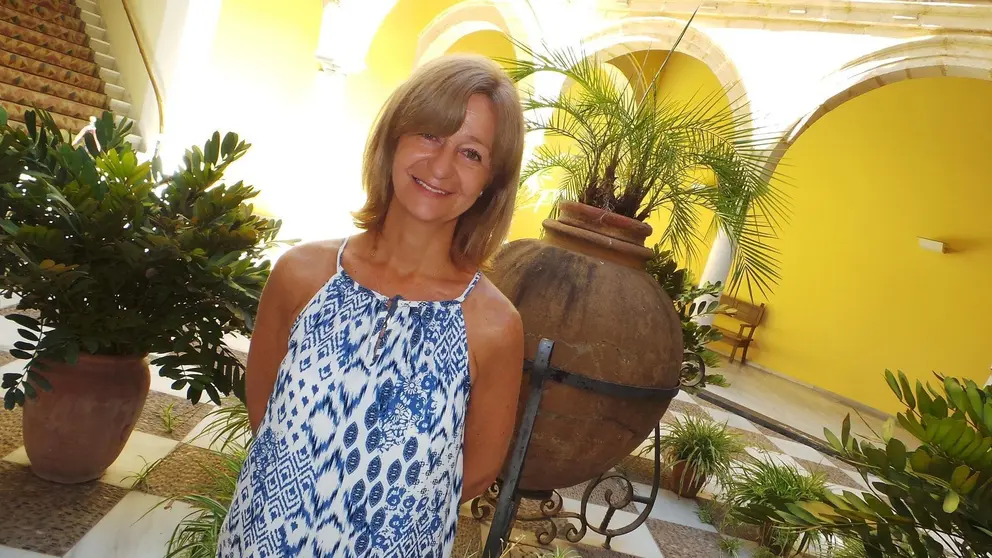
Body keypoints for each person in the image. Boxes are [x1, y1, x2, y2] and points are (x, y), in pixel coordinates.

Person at [217, 54, 526, 558]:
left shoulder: (492, 326)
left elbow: (473, 473)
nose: (441, 166)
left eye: (471, 153)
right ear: (393, 138)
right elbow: (265, 414)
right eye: (429, 135)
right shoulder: (302, 275)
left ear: (492, 181)